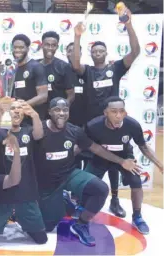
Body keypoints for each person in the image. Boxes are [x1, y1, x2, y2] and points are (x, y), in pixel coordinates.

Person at [36, 97, 141, 246]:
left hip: (68, 174)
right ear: (49, 112)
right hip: (46, 182)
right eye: (57, 110)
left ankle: (81, 224)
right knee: (47, 226)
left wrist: (122, 161)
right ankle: (64, 202)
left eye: (65, 110)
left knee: (100, 189)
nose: (61, 113)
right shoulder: (39, 131)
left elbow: (96, 148)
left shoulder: (74, 131)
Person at [71, 6, 140, 217]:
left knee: (113, 163)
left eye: (101, 51)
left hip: (112, 125)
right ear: (91, 55)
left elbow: (135, 52)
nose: (98, 53)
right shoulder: (88, 71)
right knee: (92, 161)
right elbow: (75, 63)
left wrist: (128, 25)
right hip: (93, 127)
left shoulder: (115, 68)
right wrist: (77, 36)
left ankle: (116, 199)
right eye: (94, 51)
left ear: (106, 53)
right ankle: (82, 198)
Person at [84, 96, 164, 234]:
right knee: (86, 181)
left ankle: (137, 217)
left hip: (125, 157)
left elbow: (144, 147)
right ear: (105, 113)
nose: (118, 115)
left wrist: (160, 164)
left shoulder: (132, 125)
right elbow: (95, 149)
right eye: (114, 111)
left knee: (136, 181)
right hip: (101, 157)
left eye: (122, 111)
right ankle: (83, 210)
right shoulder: (93, 126)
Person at [0, 98, 47, 249]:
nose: (16, 110)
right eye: (12, 108)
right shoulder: (0, 132)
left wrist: (34, 115)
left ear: (24, 113)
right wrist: (0, 112)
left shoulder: (28, 130)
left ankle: (20, 216)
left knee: (41, 239)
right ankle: (7, 215)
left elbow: (39, 135)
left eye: (19, 108)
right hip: (3, 193)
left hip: (26, 191)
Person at [11, 34, 48, 125]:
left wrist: (21, 106)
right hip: (17, 119)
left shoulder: (36, 66)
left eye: (21, 47)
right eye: (15, 47)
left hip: (32, 120)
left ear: (27, 49)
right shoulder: (12, 69)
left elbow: (43, 96)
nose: (17, 50)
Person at [39, 31, 75, 109]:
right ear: (42, 45)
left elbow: (71, 95)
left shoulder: (64, 66)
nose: (50, 48)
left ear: (57, 47)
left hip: (56, 115)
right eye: (47, 45)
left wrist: (61, 109)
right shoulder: (34, 65)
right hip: (37, 113)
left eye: (53, 45)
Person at [65, 43, 87, 128]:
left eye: (76, 51)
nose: (73, 54)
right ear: (66, 54)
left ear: (80, 54)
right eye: (70, 51)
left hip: (85, 120)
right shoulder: (61, 70)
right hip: (65, 119)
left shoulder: (87, 71)